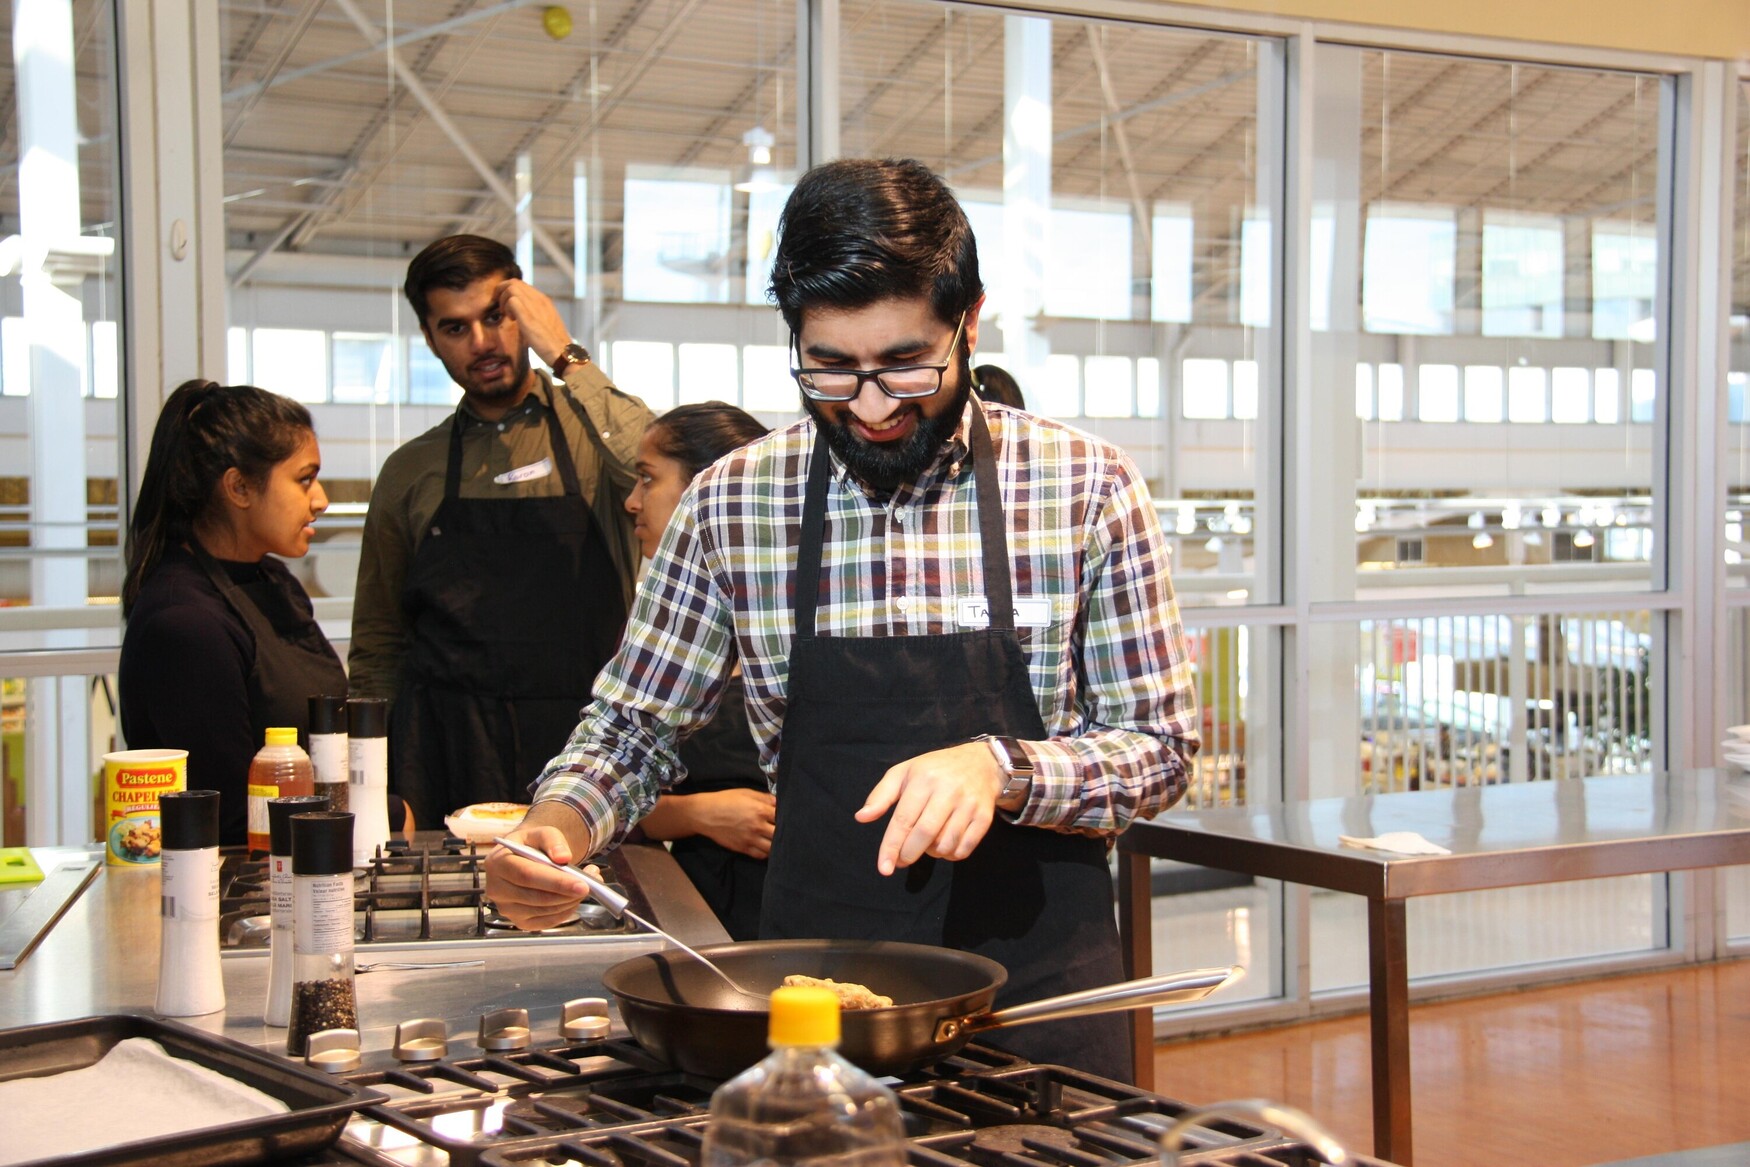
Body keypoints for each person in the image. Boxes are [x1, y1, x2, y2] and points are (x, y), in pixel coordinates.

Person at [485, 158, 1199, 1082]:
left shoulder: (1086, 489)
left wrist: (1001, 766)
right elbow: (634, 725)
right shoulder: (733, 504)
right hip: (815, 1000)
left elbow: (1162, 747)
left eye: (907, 364)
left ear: (969, 321)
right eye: (830, 369)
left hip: (1037, 999)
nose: (869, 407)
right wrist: (558, 827)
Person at [347, 235, 655, 829]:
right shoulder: (411, 472)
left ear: (525, 312)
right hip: (446, 748)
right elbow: (380, 641)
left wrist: (566, 354)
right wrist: (370, 777)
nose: (484, 343)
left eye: (497, 317)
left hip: (583, 748)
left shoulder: (595, 437)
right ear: (431, 339)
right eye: (456, 328)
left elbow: (673, 475)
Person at [119, 380, 348, 848]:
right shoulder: (184, 622)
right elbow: (232, 817)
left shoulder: (276, 582)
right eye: (304, 479)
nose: (320, 499)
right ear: (239, 487)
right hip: (237, 887)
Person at [623, 402, 773, 940]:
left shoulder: (795, 627)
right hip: (693, 910)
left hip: (796, 920)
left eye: (647, 479)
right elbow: (625, 792)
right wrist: (702, 815)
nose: (632, 501)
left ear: (707, 493)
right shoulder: (662, 636)